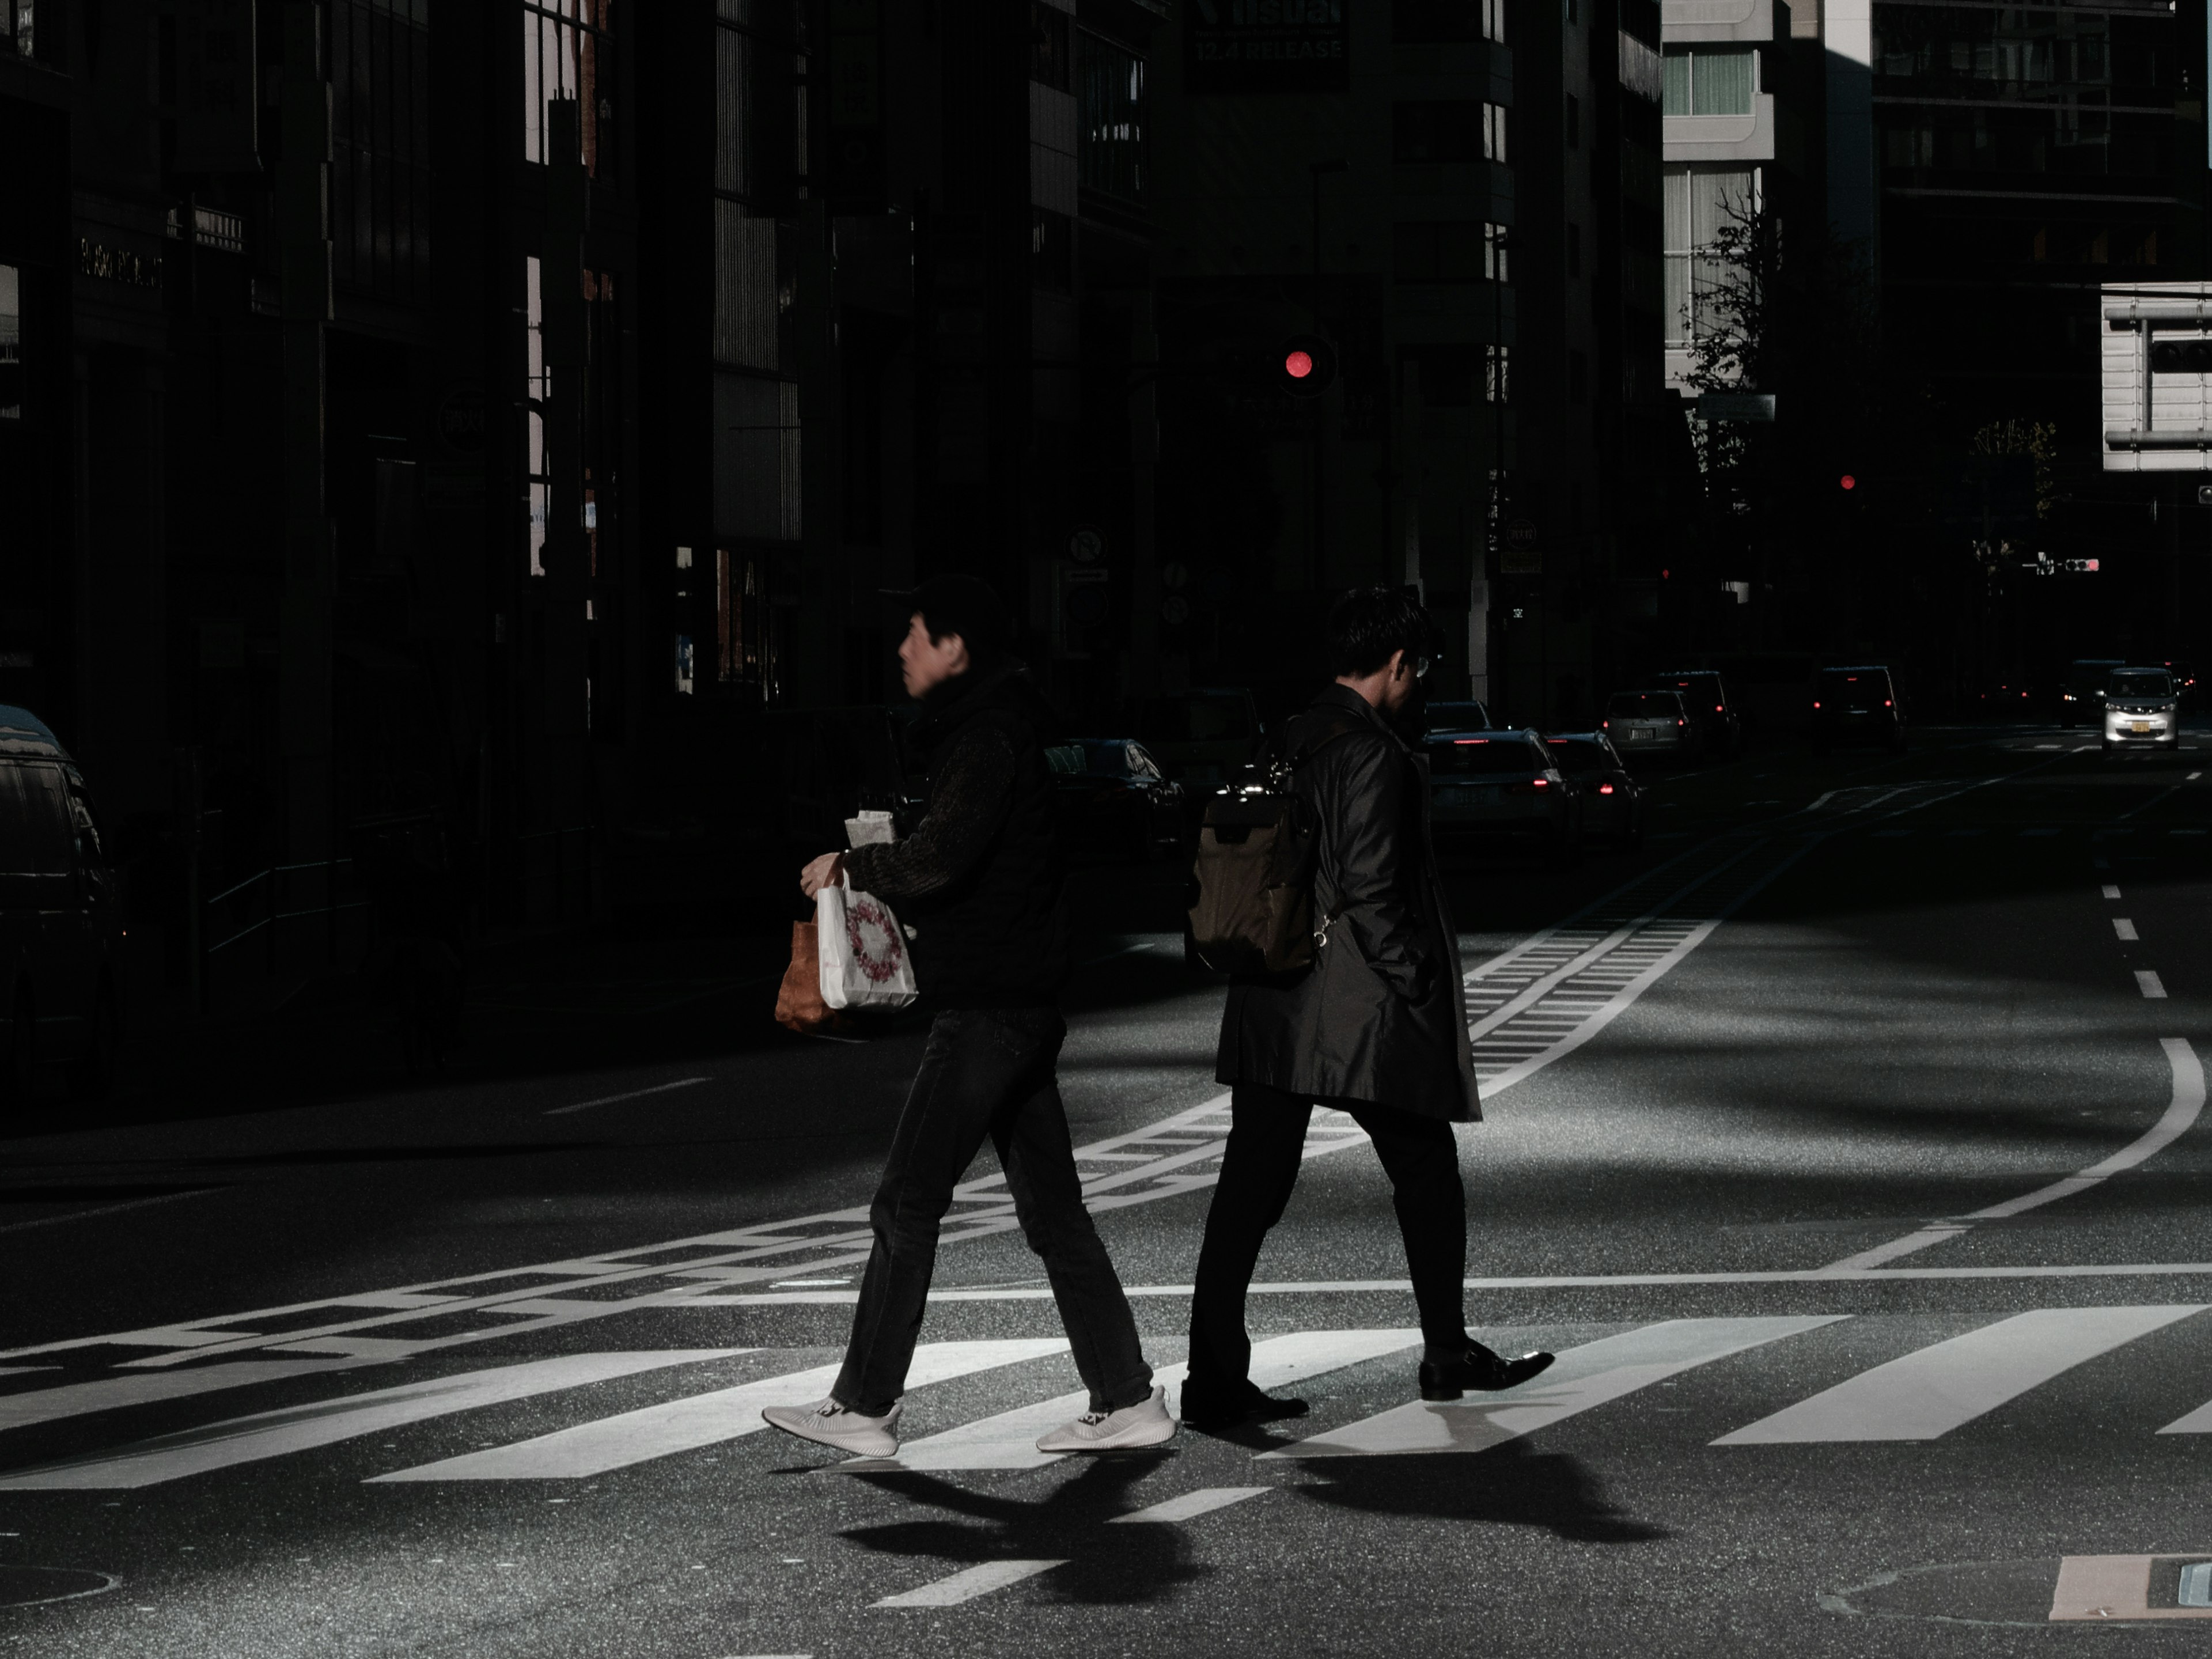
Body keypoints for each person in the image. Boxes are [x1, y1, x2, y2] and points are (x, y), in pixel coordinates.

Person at [763, 574, 1175, 1459]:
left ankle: (867, 1404)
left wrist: (851, 866)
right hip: (1017, 1002)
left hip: (989, 1008)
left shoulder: (987, 735)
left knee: (906, 1201)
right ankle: (1128, 1396)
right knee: (1054, 1217)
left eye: (916, 634)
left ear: (958, 650)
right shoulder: (997, 728)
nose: (904, 650)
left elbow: (941, 860)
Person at [1181, 587, 1555, 1431]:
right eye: (1417, 668)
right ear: (1397, 665)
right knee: (1426, 1170)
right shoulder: (1372, 755)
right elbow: (1373, 889)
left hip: (1269, 995)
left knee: (1248, 1190)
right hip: (1349, 1008)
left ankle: (1212, 1378)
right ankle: (1446, 1351)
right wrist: (1417, 979)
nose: (1417, 682)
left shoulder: (1290, 733)